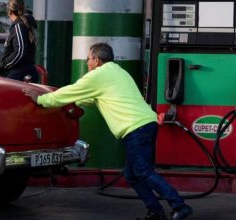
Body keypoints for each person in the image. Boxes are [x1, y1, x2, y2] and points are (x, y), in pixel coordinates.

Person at [23, 43, 193, 220]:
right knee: (132, 175)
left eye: (88, 59)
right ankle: (156, 212)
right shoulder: (117, 71)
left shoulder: (98, 75)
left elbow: (72, 90)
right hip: (146, 125)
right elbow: (91, 97)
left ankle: (179, 206)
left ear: (96, 60)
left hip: (136, 129)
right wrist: (73, 102)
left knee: (143, 172)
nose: (87, 63)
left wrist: (42, 99)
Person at [0, 0, 39, 83]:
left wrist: (4, 65)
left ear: (9, 11)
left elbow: (20, 51)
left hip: (18, 74)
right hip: (22, 72)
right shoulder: (24, 25)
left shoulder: (19, 26)